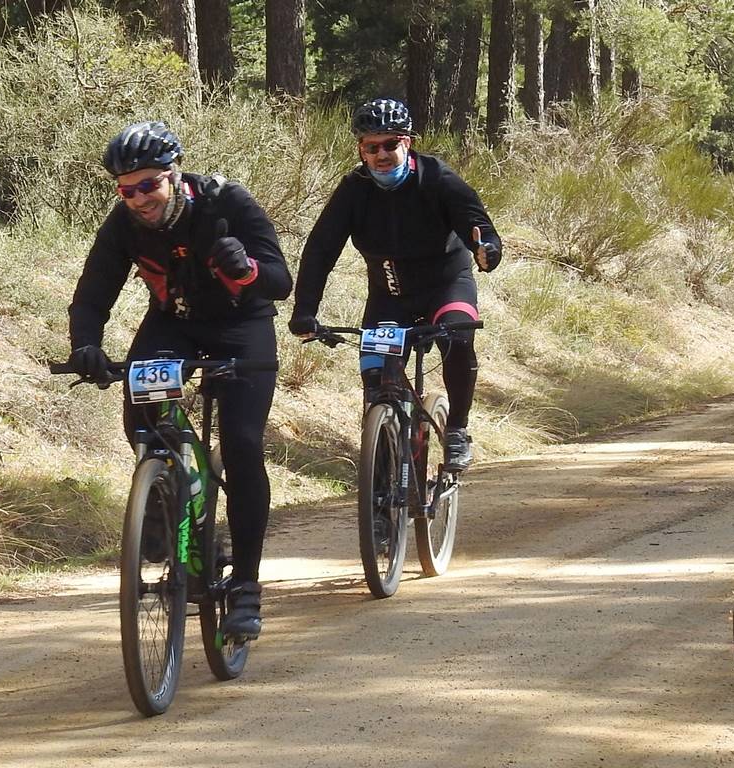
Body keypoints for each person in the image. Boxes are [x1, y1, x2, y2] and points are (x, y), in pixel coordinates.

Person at [67, 121, 292, 639]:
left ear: (173, 174)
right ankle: (168, 503)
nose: (139, 198)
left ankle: (247, 586)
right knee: (142, 408)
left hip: (242, 326)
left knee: (241, 443)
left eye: (149, 185)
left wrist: (248, 268)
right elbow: (95, 286)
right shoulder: (124, 223)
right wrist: (85, 344)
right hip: (175, 324)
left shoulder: (227, 202)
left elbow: (280, 282)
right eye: (127, 190)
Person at [288, 97, 502, 472]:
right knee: (376, 383)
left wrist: (487, 249)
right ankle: (384, 487)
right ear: (362, 150)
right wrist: (305, 310)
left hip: (447, 285)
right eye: (372, 147)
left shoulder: (436, 177)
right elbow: (321, 250)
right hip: (390, 297)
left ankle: (456, 430)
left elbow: (476, 224)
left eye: (390, 144)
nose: (381, 154)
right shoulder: (354, 190)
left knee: (456, 337)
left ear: (408, 142)